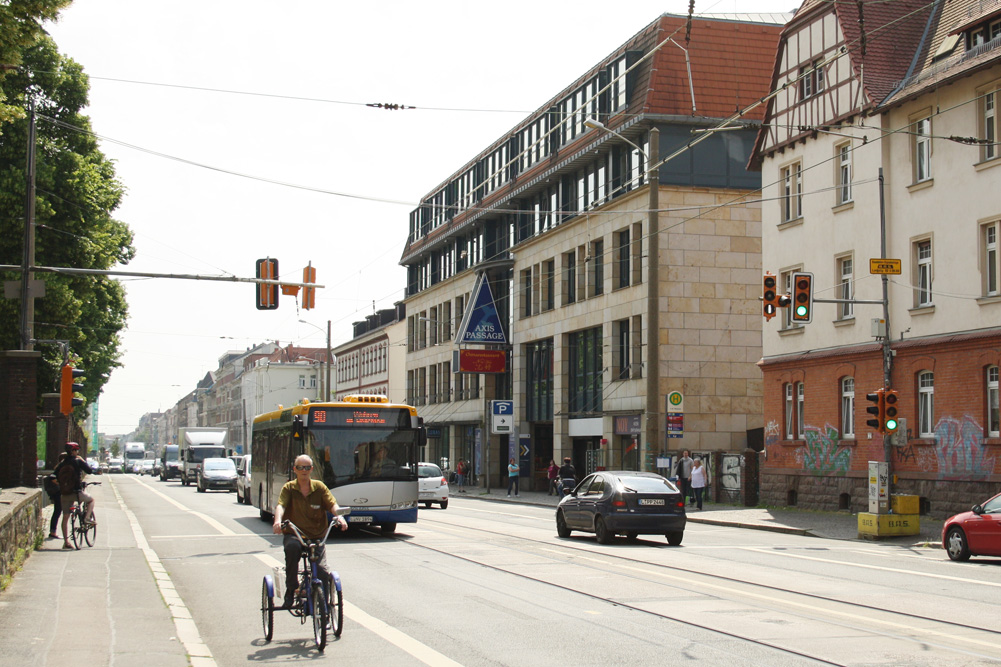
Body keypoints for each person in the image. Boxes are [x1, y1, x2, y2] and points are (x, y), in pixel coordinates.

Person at [272, 454, 348, 608]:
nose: (304, 471)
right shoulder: (289, 488)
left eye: (307, 467)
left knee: (321, 570)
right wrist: (278, 521)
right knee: (291, 549)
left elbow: (332, 504)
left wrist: (340, 517)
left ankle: (325, 606)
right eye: (300, 467)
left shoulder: (319, 487)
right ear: (295, 470)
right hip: (295, 535)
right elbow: (281, 506)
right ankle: (292, 588)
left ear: (311, 469)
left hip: (316, 536)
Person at [55, 442, 95, 550]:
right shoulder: (78, 461)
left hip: (64, 494)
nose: (77, 452)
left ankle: (66, 542)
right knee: (91, 500)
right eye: (76, 450)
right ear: (73, 451)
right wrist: (83, 461)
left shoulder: (62, 463)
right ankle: (86, 518)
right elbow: (89, 471)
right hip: (77, 493)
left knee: (65, 517)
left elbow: (54, 475)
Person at [43, 453, 68, 538]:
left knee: (57, 511)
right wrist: (62, 484)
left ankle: (53, 531)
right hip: (58, 493)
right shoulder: (61, 468)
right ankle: (53, 532)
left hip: (58, 492)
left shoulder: (59, 467)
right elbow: (52, 478)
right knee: (58, 511)